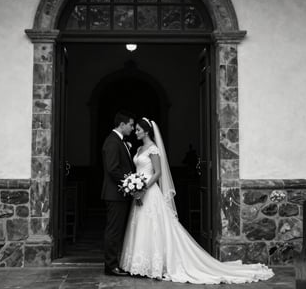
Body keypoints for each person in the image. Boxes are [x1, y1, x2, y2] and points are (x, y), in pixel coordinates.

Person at [120, 117, 274, 284]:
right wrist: (134, 186)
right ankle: (140, 265)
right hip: (139, 193)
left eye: (138, 129)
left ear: (147, 131)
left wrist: (143, 187)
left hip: (149, 192)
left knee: (154, 227)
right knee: (141, 227)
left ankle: (156, 265)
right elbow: (139, 170)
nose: (136, 132)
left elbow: (157, 173)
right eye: (135, 129)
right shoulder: (140, 148)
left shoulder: (153, 149)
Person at [101, 110, 136, 276]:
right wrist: (129, 183)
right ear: (122, 125)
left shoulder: (119, 141)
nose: (132, 128)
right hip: (115, 194)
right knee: (113, 230)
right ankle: (111, 266)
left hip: (119, 194)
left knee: (117, 229)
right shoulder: (113, 142)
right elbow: (113, 169)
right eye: (130, 125)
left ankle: (114, 263)